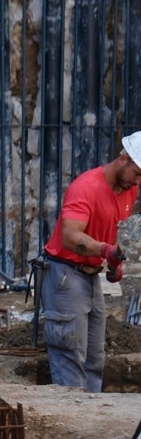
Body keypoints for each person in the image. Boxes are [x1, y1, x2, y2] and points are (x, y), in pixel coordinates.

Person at [40, 133, 141, 391]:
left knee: (95, 357)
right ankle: (72, 420)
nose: (138, 182)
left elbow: (110, 226)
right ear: (123, 159)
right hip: (65, 273)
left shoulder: (127, 188)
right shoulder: (86, 187)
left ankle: (90, 418)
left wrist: (113, 262)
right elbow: (70, 236)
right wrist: (105, 249)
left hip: (90, 274)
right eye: (137, 173)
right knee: (70, 355)